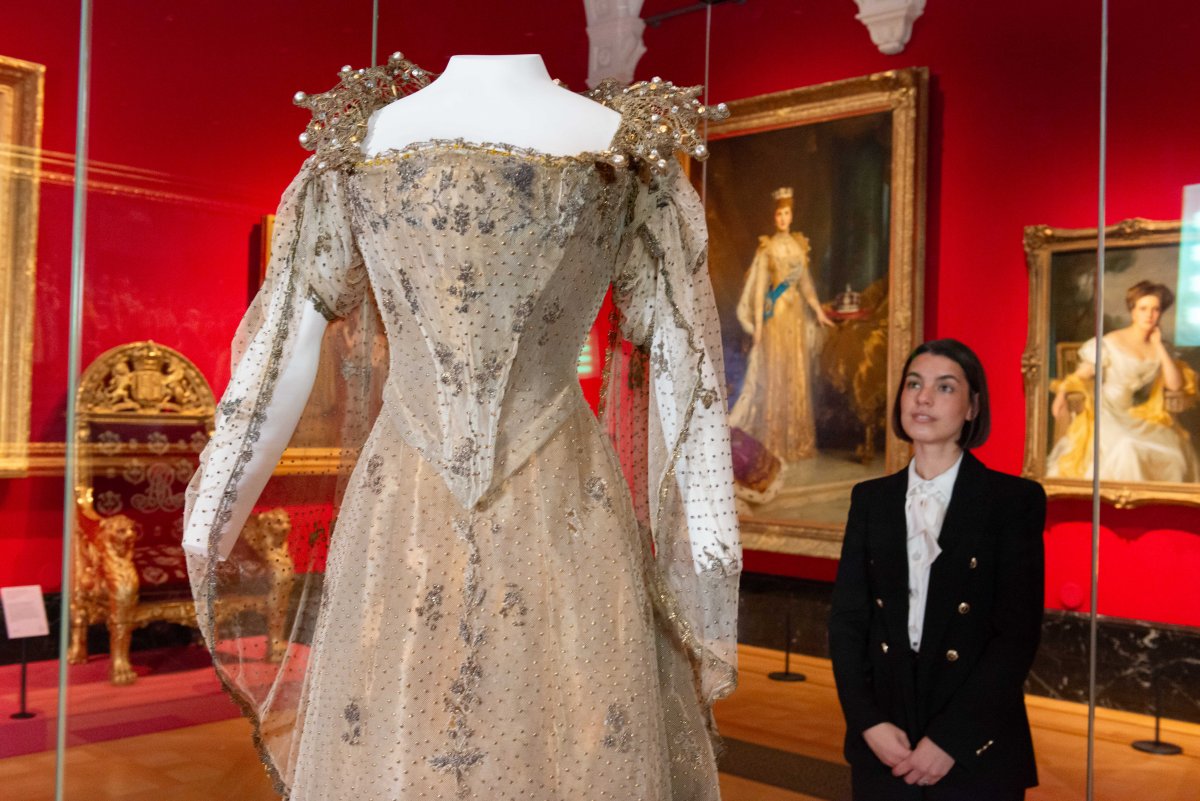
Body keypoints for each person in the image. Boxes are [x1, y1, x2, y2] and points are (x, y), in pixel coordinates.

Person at [181, 54, 740, 800]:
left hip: (551, 501)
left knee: (564, 732)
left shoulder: (625, 151)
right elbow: (288, 336)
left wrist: (708, 519)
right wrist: (221, 485)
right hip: (426, 500)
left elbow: (682, 347)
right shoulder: (354, 150)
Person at [829, 339, 1046, 800]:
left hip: (974, 738)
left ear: (973, 408)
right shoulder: (870, 499)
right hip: (886, 735)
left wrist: (952, 739)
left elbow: (1016, 637)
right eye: (913, 384)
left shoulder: (1013, 502)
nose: (922, 398)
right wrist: (867, 722)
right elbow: (848, 624)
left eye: (944, 387)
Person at [1047, 280, 1198, 482]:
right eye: (1143, 308)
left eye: (1156, 309)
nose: (1149, 315)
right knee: (1128, 447)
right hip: (1107, 412)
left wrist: (1159, 346)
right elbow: (1082, 375)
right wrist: (1062, 393)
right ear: (1132, 311)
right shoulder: (1110, 342)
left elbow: (1175, 385)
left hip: (1143, 416)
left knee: (1175, 453)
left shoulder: (1163, 347)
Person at [729, 186, 834, 463]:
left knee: (795, 374)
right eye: (779, 213)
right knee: (776, 374)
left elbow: (806, 284)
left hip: (796, 317)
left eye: (787, 213)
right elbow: (762, 287)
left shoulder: (800, 245)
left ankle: (797, 440)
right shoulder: (767, 248)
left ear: (792, 215)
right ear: (774, 217)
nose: (784, 218)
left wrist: (818, 311)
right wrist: (759, 331)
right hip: (775, 318)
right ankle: (777, 440)